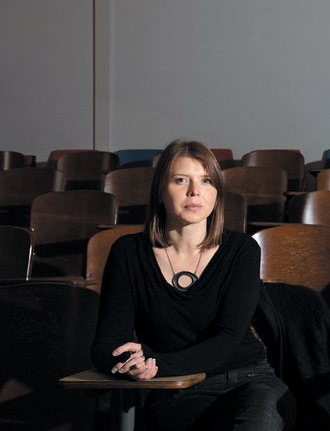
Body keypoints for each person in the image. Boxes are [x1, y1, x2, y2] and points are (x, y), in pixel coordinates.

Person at [91, 139, 295, 430]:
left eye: (206, 181)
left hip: (247, 380)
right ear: (161, 190)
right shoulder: (128, 253)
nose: (194, 192)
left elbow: (227, 339)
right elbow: (107, 342)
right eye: (180, 180)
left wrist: (158, 362)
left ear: (217, 194)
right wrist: (132, 362)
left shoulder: (241, 250)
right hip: (176, 387)